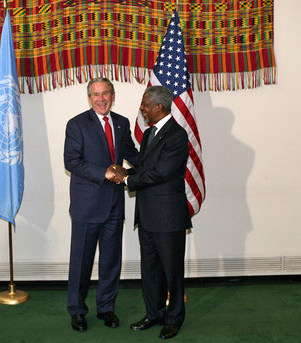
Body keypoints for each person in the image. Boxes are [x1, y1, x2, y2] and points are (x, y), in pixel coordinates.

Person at [63, 77, 138, 332]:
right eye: (96, 94)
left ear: (113, 95)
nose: (101, 99)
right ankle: (77, 310)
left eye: (105, 93)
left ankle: (106, 308)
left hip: (115, 207)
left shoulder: (122, 123)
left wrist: (157, 161)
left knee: (110, 262)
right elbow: (71, 162)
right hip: (87, 207)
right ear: (89, 98)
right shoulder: (76, 125)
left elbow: (132, 154)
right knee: (81, 263)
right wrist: (104, 173)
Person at [122, 86, 191, 340]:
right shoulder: (150, 133)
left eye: (145, 104)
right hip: (148, 214)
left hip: (168, 216)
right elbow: (145, 166)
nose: (142, 108)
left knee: (172, 270)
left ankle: (174, 318)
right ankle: (154, 313)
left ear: (159, 107)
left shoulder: (177, 135)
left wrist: (127, 180)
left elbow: (162, 172)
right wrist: (126, 172)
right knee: (150, 269)